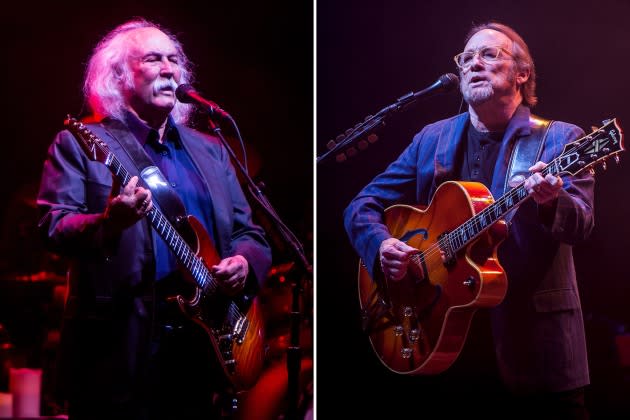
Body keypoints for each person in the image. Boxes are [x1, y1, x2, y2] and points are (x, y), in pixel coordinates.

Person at [343, 21, 594, 419]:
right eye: (467, 57)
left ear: (522, 73)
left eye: (490, 54)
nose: (474, 63)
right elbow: (362, 204)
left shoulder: (560, 139)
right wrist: (381, 245)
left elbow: (581, 224)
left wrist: (550, 200)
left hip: (537, 357)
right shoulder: (432, 138)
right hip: (444, 350)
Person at [37, 18, 272, 419]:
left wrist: (244, 263)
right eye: (153, 59)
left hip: (201, 356)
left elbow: (250, 232)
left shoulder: (212, 150)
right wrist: (111, 221)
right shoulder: (83, 143)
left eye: (174, 60)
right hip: (118, 356)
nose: (169, 69)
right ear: (119, 76)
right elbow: (53, 227)